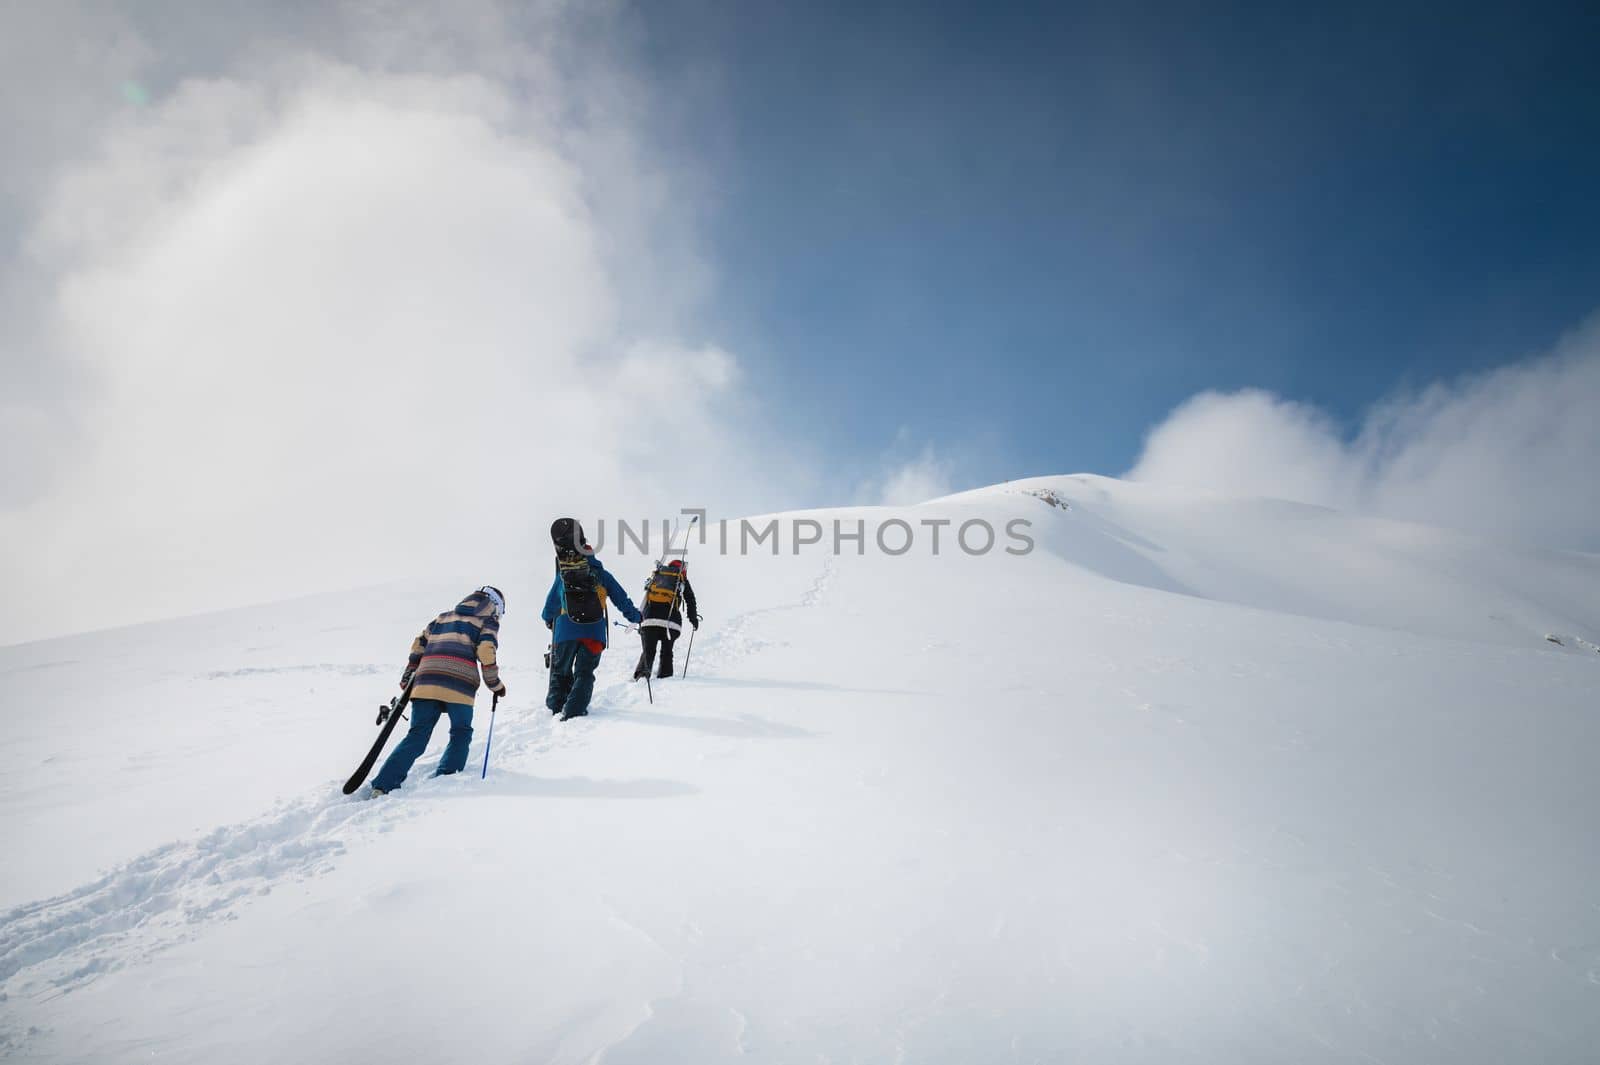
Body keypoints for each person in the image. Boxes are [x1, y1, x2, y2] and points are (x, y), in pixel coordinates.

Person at [371, 585, 507, 795]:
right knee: (461, 732)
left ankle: (382, 785)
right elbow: (486, 650)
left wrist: (408, 675)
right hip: (460, 684)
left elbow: (419, 645)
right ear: (495, 606)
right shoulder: (487, 621)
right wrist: (495, 684)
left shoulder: (442, 618)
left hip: (426, 682)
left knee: (417, 735)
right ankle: (447, 778)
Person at [542, 519, 641, 720]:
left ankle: (555, 708)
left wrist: (548, 618)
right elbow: (622, 600)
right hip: (594, 632)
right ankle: (574, 711)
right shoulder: (603, 574)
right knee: (585, 673)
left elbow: (551, 602)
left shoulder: (564, 574)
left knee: (561, 671)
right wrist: (636, 617)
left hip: (565, 629)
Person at [634, 559, 699, 680]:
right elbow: (690, 600)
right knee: (667, 651)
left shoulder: (657, 576)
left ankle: (641, 676)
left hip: (649, 620)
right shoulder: (681, 579)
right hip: (670, 623)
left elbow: (645, 599)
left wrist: (640, 622)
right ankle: (665, 677)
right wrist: (693, 619)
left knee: (648, 650)